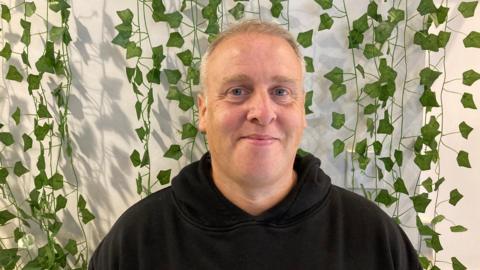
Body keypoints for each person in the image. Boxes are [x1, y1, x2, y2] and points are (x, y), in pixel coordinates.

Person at [89, 20, 422, 270]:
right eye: (237, 91)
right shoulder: (136, 241)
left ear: (302, 111)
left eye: (280, 92)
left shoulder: (372, 236)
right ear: (204, 111)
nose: (263, 113)